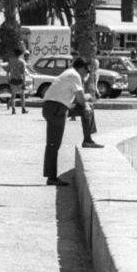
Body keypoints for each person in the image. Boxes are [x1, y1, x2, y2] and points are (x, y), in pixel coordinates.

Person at [42, 56, 101, 186]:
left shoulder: (71, 74)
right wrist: (90, 96)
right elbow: (81, 99)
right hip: (56, 109)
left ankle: (87, 139)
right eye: (87, 71)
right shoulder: (74, 75)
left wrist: (86, 102)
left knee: (88, 107)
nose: (87, 74)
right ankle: (52, 178)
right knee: (53, 144)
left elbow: (78, 98)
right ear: (81, 68)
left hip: (55, 107)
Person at [7, 50, 32, 114]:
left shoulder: (10, 61)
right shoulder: (22, 62)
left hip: (12, 80)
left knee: (13, 96)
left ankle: (13, 109)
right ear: (20, 54)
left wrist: (8, 79)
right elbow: (23, 73)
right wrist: (24, 82)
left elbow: (7, 71)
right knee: (22, 95)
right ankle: (23, 109)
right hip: (20, 80)